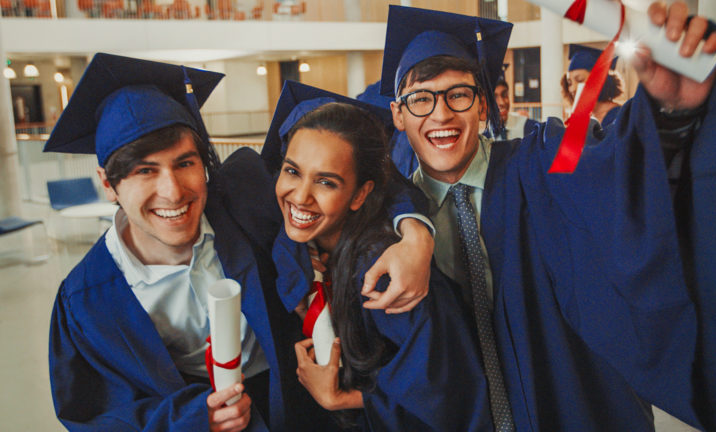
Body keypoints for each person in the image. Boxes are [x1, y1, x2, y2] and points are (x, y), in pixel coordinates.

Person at [367, 3, 716, 430]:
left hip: (576, 405)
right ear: (398, 115)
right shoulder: (391, 219)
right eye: (421, 99)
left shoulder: (542, 161)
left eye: (458, 94)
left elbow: (614, 165)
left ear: (483, 106)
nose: (441, 113)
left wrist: (673, 114)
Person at [45, 53, 435, 432]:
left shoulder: (243, 197)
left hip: (299, 401)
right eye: (145, 171)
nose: (173, 191)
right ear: (108, 183)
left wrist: (415, 231)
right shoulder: (86, 299)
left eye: (185, 163)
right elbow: (94, 415)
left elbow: (363, 177)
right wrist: (193, 419)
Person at [265, 81, 493, 430]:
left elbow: (445, 388)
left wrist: (340, 398)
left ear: (360, 195)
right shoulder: (300, 247)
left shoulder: (384, 274)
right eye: (292, 171)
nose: (301, 196)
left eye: (326, 182)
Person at [564, 44, 624, 126]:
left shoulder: (620, 116)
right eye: (569, 83)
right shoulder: (584, 117)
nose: (572, 89)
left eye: (580, 80)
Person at [488, 76, 537, 141]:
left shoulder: (528, 127)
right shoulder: (483, 137)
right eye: (494, 97)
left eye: (504, 95)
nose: (501, 102)